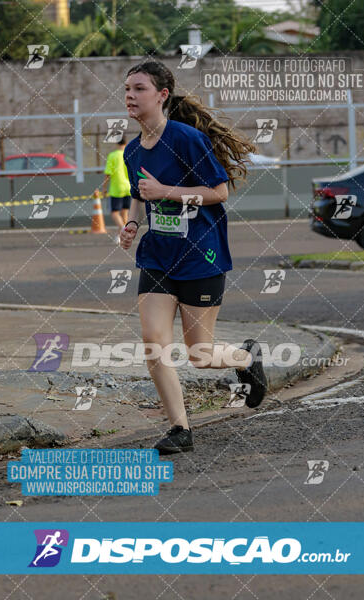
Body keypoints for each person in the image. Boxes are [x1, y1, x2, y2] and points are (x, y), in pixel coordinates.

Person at [120, 61, 267, 454]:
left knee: (200, 355)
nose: (130, 96)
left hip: (201, 255)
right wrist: (133, 225)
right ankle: (179, 428)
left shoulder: (185, 139)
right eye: (127, 90)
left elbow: (219, 192)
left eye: (139, 89)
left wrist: (167, 191)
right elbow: (139, 193)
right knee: (153, 342)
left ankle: (245, 357)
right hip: (158, 257)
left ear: (162, 95)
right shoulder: (131, 150)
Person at [102, 135, 131, 244]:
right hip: (128, 186)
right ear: (126, 142)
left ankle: (123, 229)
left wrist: (104, 188)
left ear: (116, 143)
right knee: (125, 212)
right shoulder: (129, 154)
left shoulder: (112, 156)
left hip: (116, 187)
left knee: (114, 212)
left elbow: (108, 174)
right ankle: (121, 236)